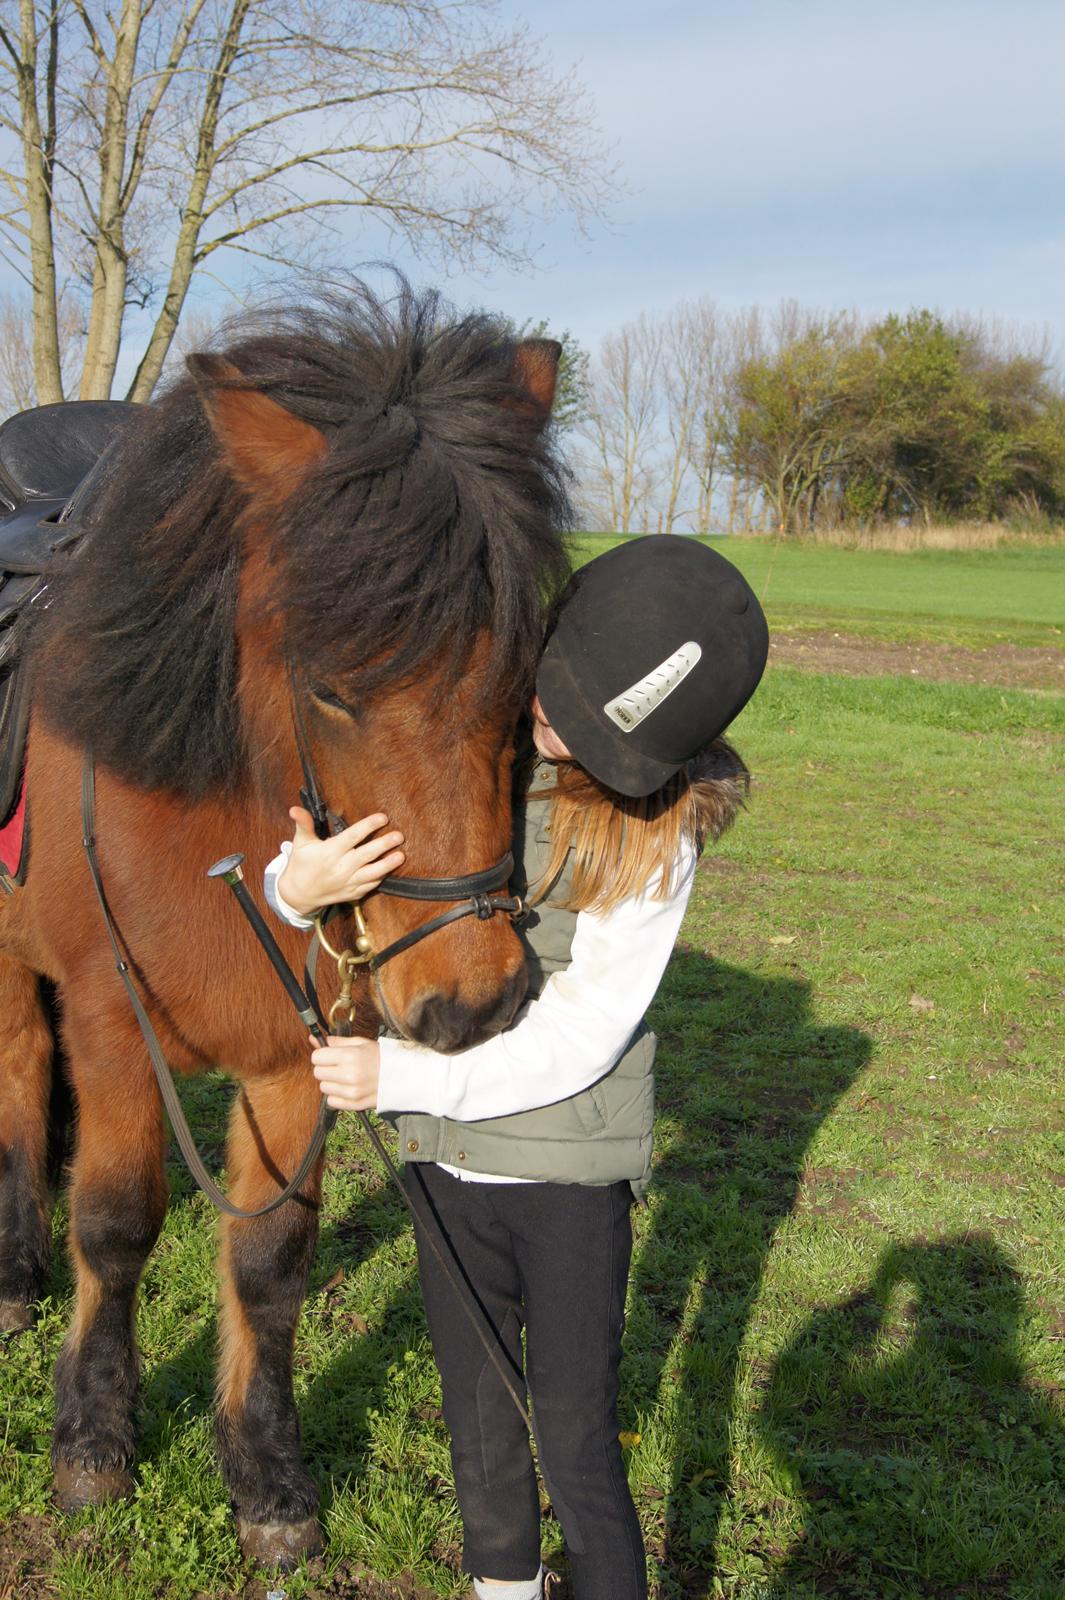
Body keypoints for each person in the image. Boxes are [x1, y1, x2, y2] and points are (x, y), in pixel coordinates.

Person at [264, 536, 769, 1600]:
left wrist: (409, 1082)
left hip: (565, 1181)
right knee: (479, 1428)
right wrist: (295, 884)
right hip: (446, 1169)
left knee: (577, 1441)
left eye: (588, 735)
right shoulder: (467, 730)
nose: (551, 735)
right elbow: (334, 843)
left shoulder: (655, 836)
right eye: (555, 704)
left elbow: (588, 1032)